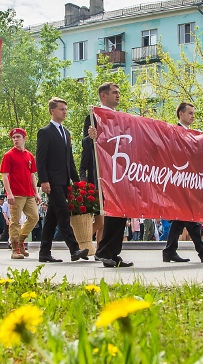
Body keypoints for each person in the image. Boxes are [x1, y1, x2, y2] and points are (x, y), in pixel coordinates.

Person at [83, 82, 132, 267]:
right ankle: (104, 251)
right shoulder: (94, 116)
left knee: (122, 212)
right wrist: (91, 137)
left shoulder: (120, 117)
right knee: (112, 212)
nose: (118, 95)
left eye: (119, 92)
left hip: (121, 171)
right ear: (104, 96)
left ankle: (113, 252)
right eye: (114, 93)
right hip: (105, 173)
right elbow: (86, 145)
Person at [163, 103, 203, 263]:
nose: (193, 116)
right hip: (179, 181)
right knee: (190, 217)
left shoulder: (195, 135)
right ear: (181, 114)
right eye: (190, 113)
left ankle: (169, 251)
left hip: (191, 181)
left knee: (180, 219)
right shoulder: (174, 132)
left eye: (194, 113)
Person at [36, 97, 89, 263]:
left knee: (51, 219)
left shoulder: (66, 133)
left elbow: (69, 161)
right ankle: (74, 249)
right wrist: (44, 180)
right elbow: (41, 159)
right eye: (61, 109)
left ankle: (44, 252)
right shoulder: (45, 132)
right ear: (52, 111)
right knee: (63, 214)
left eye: (65, 109)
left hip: (65, 181)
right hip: (52, 182)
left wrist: (76, 181)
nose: (64, 112)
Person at [0, 127, 39, 259]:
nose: (15, 140)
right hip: (15, 194)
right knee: (15, 221)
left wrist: (36, 192)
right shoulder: (8, 155)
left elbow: (32, 175)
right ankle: (15, 249)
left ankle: (21, 240)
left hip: (29, 193)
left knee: (34, 217)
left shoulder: (29, 155)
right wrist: (9, 193)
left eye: (18, 137)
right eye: (13, 137)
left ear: (24, 138)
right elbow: (4, 176)